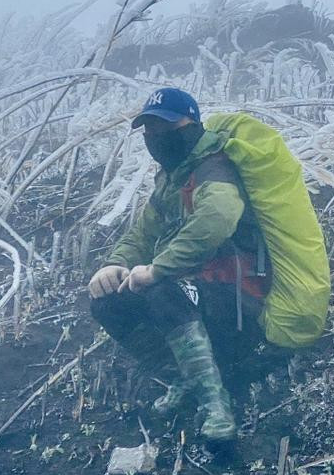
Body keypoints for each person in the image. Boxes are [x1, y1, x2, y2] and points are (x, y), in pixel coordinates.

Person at [86, 87, 272, 453]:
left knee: (159, 288)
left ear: (192, 126)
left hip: (241, 299)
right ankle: (185, 377)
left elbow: (217, 220)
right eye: (149, 129)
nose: (156, 137)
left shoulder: (214, 168)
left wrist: (157, 269)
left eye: (166, 127)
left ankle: (216, 405)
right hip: (203, 297)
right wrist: (114, 265)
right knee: (107, 302)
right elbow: (142, 233)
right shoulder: (172, 180)